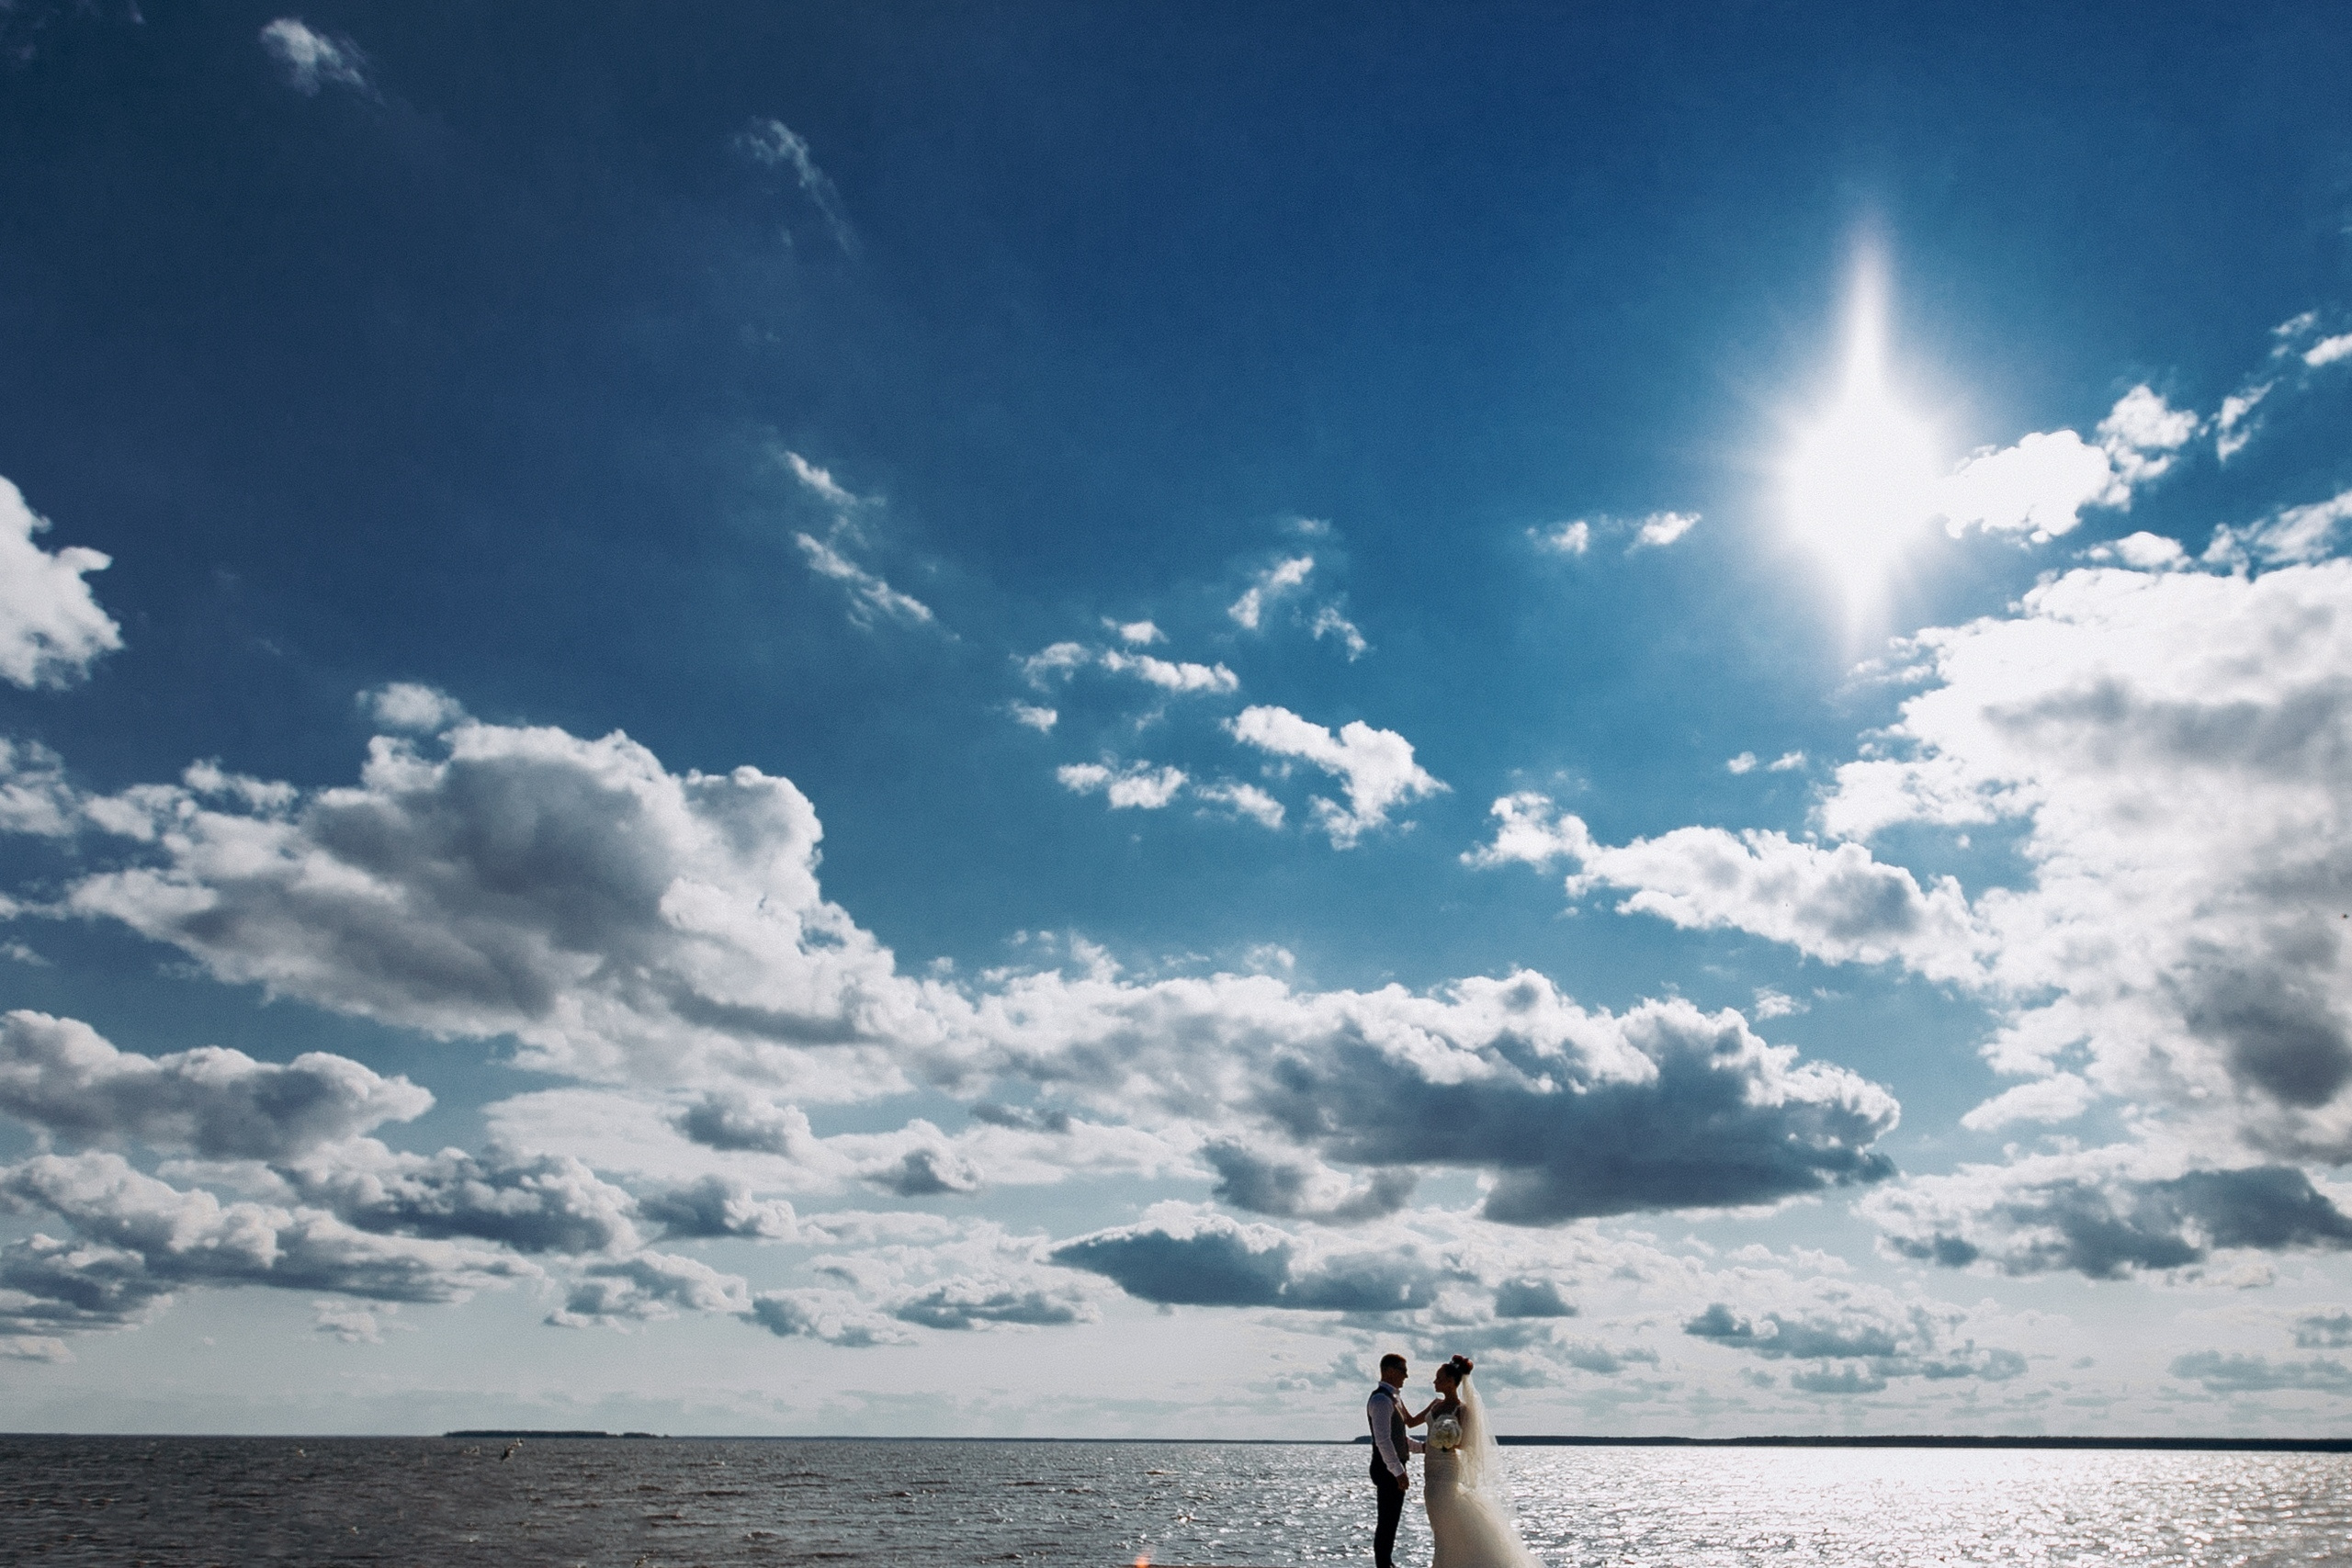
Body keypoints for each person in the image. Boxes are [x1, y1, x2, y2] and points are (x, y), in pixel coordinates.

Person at [1416, 1354, 1541, 1568]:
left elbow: (1469, 1443)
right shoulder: (1435, 1405)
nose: (1435, 1382)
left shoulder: (1462, 1410)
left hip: (1447, 1470)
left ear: (1451, 1382)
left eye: (1439, 1378)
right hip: (1430, 1472)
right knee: (1437, 1523)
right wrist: (1393, 1402)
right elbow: (1410, 1422)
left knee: (1445, 1527)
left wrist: (1448, 1441)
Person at [1366, 1351, 1427, 1568]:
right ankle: (1383, 1564)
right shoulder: (1381, 1400)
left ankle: (1386, 1562)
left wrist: (1422, 1448)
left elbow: (1399, 1435)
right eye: (1403, 1371)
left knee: (1391, 1521)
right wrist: (1398, 1471)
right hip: (1386, 1468)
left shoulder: (1394, 1398)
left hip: (1392, 1467)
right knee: (1386, 1521)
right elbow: (1383, 1440)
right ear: (1390, 1371)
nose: (1406, 1376)